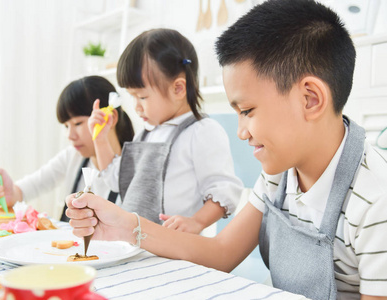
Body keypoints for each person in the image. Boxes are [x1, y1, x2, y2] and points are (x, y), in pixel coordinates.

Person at [66, 0, 387, 299]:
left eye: (247, 111)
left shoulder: (376, 202)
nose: (240, 132)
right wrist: (126, 226)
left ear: (310, 99)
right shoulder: (280, 174)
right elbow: (221, 252)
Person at [87, 28, 243, 234]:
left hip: (177, 249)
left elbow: (224, 189)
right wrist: (100, 139)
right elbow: (116, 180)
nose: (136, 106)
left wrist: (196, 222)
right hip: (137, 244)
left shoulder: (202, 132)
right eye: (132, 97)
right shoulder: (146, 134)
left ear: (178, 89)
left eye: (142, 97)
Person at [0, 76, 134, 221]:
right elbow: (26, 190)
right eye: (66, 126)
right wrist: (10, 192)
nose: (70, 135)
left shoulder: (137, 166)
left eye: (78, 123)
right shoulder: (74, 156)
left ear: (110, 118)